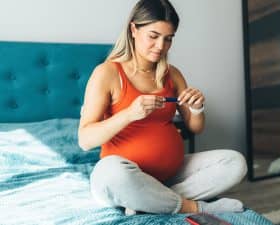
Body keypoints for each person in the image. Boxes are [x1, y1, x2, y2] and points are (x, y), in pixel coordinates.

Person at [78, 0, 247, 215]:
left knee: (234, 163)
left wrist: (197, 108)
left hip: (170, 175)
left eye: (168, 39)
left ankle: (149, 200)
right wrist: (130, 113)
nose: (161, 46)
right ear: (133, 29)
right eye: (153, 36)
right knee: (112, 174)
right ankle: (196, 207)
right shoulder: (107, 73)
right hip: (124, 176)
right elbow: (85, 140)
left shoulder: (172, 74)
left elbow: (195, 127)